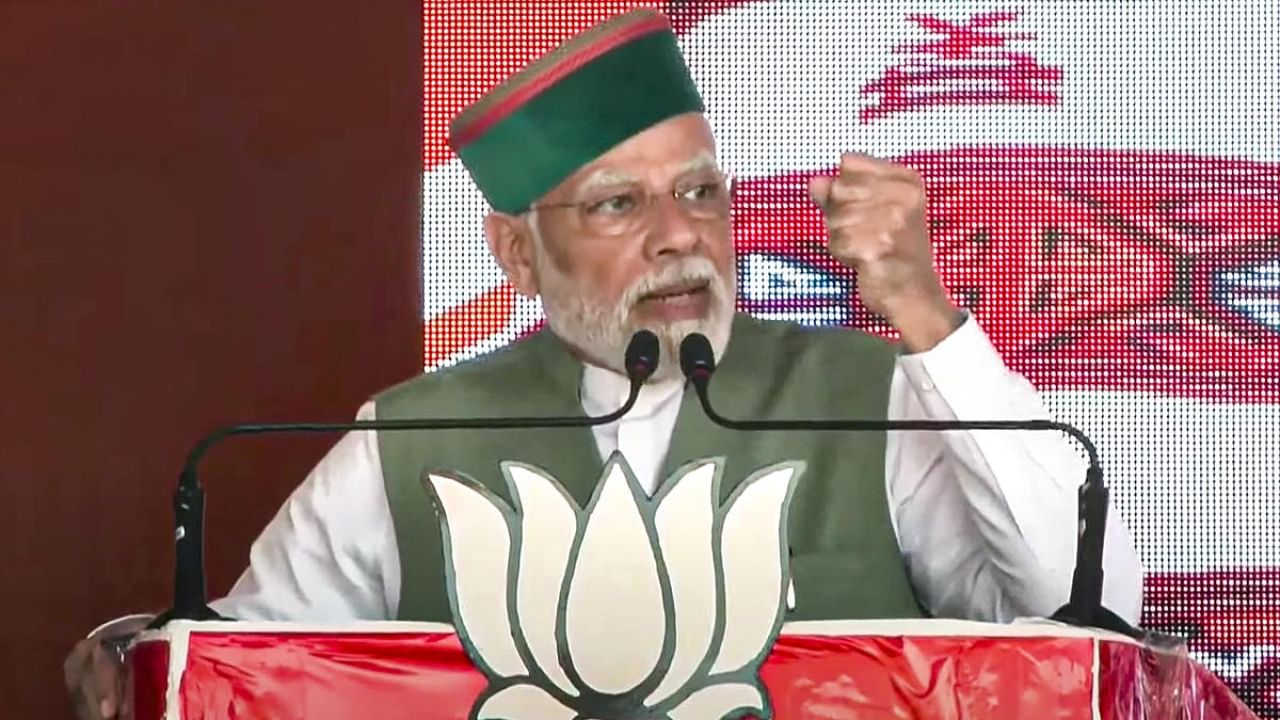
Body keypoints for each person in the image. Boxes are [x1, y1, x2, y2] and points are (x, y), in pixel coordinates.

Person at [64, 8, 1144, 719]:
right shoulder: (412, 432)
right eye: (619, 204)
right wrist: (134, 652)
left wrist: (921, 307)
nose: (679, 236)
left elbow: (1086, 621)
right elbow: (244, 673)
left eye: (700, 192)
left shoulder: (875, 398)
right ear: (515, 252)